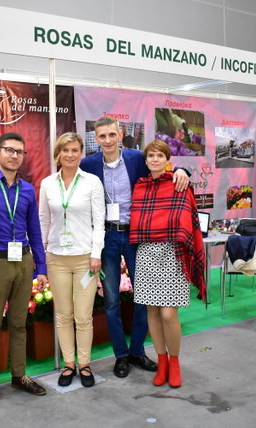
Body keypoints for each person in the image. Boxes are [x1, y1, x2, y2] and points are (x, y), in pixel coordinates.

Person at [79, 116, 190, 378]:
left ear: (120, 134)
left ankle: (137, 351)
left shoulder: (137, 159)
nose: (107, 140)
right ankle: (120, 355)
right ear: (96, 138)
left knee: (144, 297)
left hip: (135, 236)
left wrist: (183, 170)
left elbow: (160, 164)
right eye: (102, 136)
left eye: (111, 134)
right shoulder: (88, 165)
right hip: (106, 237)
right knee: (111, 300)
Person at [0, 132, 48, 404]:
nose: (14, 155)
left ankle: (19, 375)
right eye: (9, 150)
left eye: (19, 151)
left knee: (19, 322)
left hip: (23, 262)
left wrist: (41, 267)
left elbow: (34, 230)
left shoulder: (27, 190)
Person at [129, 140, 206, 388]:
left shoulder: (179, 182)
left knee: (168, 313)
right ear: (146, 160)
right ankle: (161, 361)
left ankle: (174, 362)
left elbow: (189, 218)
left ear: (167, 159)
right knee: (151, 310)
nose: (155, 159)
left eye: (159, 156)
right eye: (151, 156)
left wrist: (183, 171)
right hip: (146, 253)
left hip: (174, 254)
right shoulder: (140, 187)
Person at [39, 132, 105, 388]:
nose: (69, 155)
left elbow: (99, 222)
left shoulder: (92, 182)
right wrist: (42, 256)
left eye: (74, 150)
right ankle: (69, 364)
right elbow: (44, 221)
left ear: (81, 153)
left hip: (85, 260)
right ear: (58, 154)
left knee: (83, 316)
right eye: (65, 150)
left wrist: (96, 253)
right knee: (63, 315)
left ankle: (84, 364)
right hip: (57, 259)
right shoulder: (47, 184)